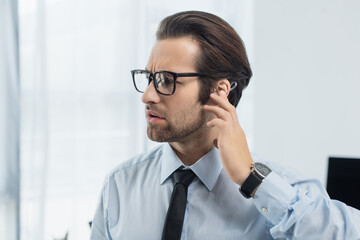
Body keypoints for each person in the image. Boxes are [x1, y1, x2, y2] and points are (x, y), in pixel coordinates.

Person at [90, 11, 360, 240]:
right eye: (149, 78)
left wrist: (253, 181)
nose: (147, 96)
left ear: (219, 91)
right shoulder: (119, 186)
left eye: (166, 80)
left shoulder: (281, 190)